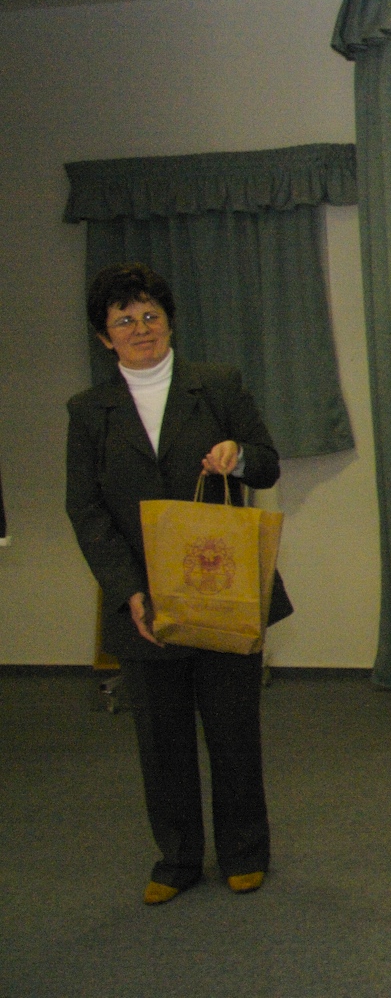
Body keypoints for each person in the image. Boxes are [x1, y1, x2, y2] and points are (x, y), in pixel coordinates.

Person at [66, 262, 291, 905]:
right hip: (144, 601)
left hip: (221, 590)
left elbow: (266, 464)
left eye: (150, 315)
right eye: (124, 320)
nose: (140, 329)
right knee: (161, 741)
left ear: (169, 322)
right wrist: (127, 590)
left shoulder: (216, 386)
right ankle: (178, 857)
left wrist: (237, 457)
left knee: (233, 729)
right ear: (104, 338)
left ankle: (244, 851)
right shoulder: (88, 412)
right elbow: (85, 510)